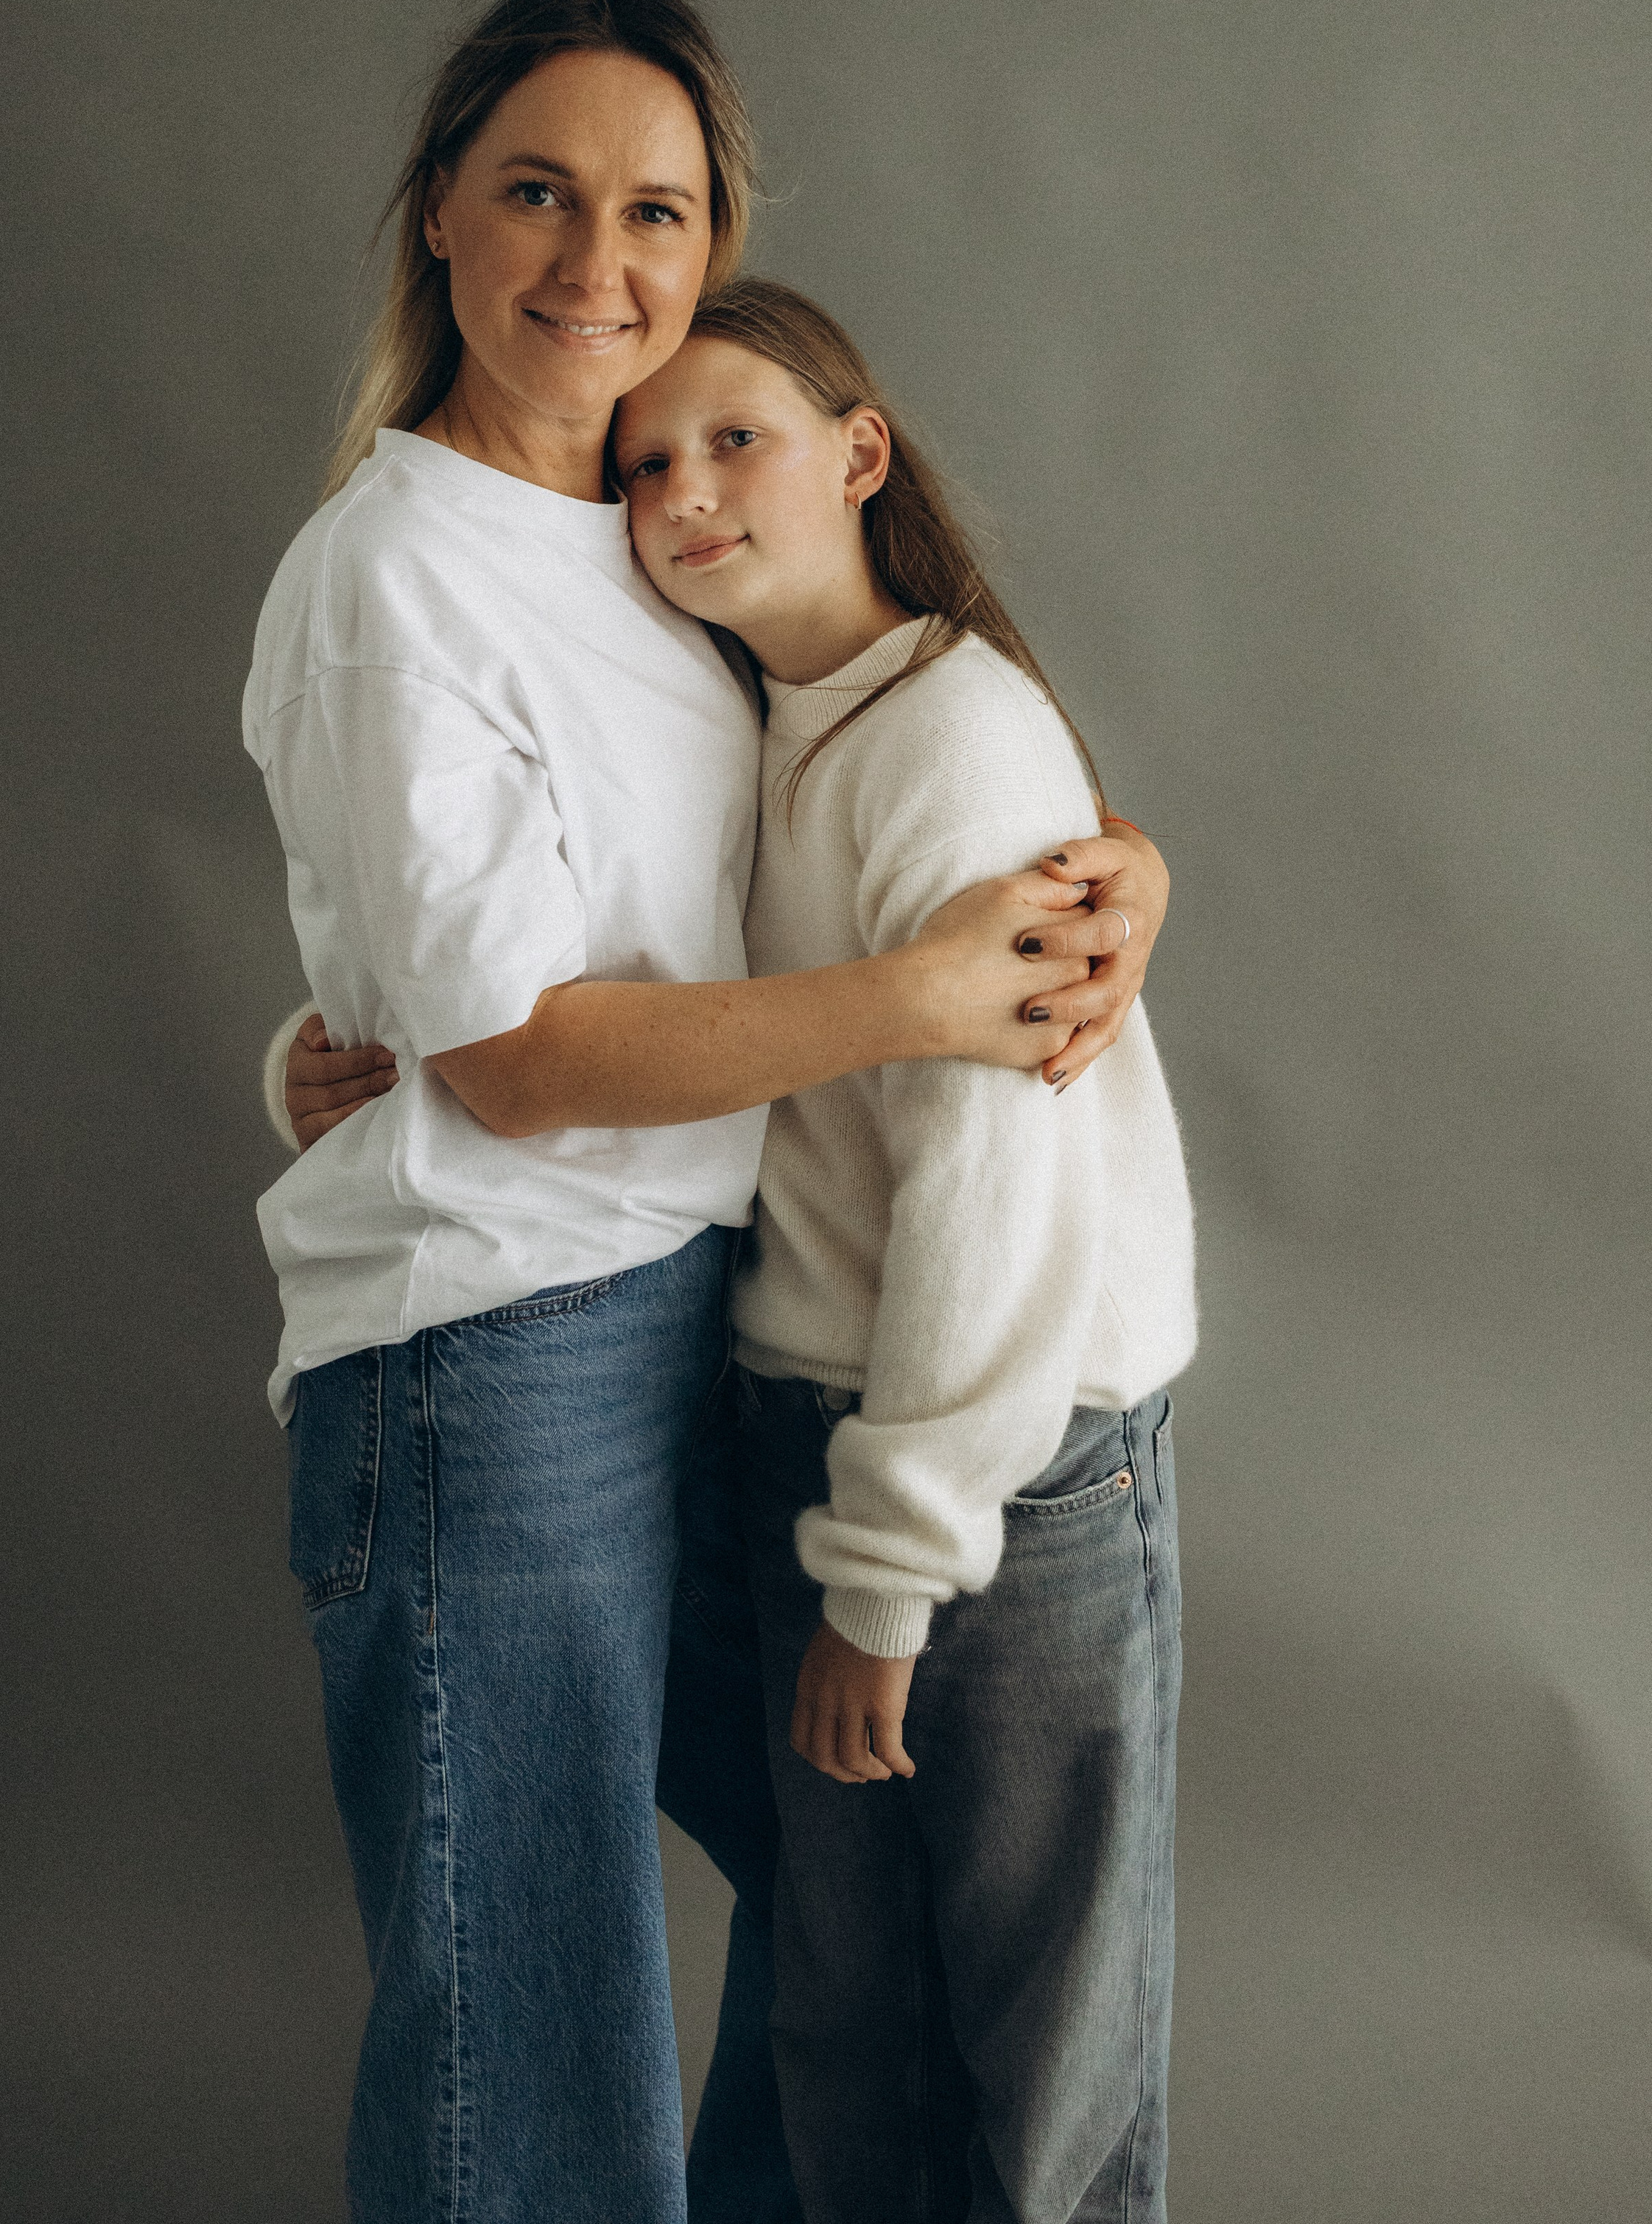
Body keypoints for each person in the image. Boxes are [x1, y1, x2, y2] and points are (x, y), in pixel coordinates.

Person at [245, 0, 1174, 2224]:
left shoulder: (646, 547)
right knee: (533, 2042)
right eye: (539, 194)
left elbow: (765, 840)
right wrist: (929, 991)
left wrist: (1121, 873)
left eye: (659, 210)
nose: (601, 263)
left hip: (696, 1323)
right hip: (494, 1357)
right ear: (439, 219)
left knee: (850, 1939)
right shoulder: (403, 565)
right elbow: (527, 1050)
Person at [602, 281, 1195, 2224]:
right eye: (645, 463)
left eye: (736, 438)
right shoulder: (742, 728)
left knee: (1032, 2068)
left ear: (861, 456)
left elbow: (989, 1186)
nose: (685, 491)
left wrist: (893, 1567)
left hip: (992, 1471)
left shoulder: (954, 735)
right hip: (815, 1438)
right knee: (849, 2039)